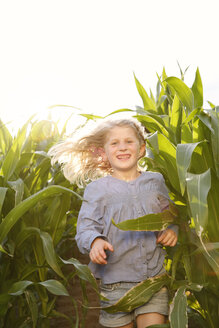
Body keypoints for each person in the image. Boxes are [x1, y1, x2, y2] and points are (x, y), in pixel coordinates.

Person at [49, 118, 178, 328]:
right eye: (115, 143)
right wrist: (95, 241)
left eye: (129, 141)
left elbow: (170, 212)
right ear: (103, 152)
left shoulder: (156, 181)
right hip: (114, 285)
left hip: (153, 279)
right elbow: (85, 227)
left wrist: (172, 229)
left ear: (142, 149)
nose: (123, 147)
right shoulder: (97, 189)